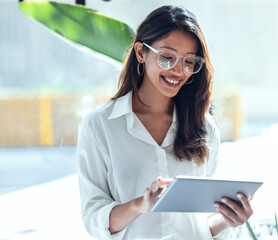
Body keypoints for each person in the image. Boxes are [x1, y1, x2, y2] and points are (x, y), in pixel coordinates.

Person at [76, 5, 253, 239]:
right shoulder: (100, 126)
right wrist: (140, 205)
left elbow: (200, 223)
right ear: (141, 52)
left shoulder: (205, 128)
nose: (179, 71)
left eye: (189, 61)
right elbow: (93, 218)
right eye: (167, 57)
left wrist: (230, 220)